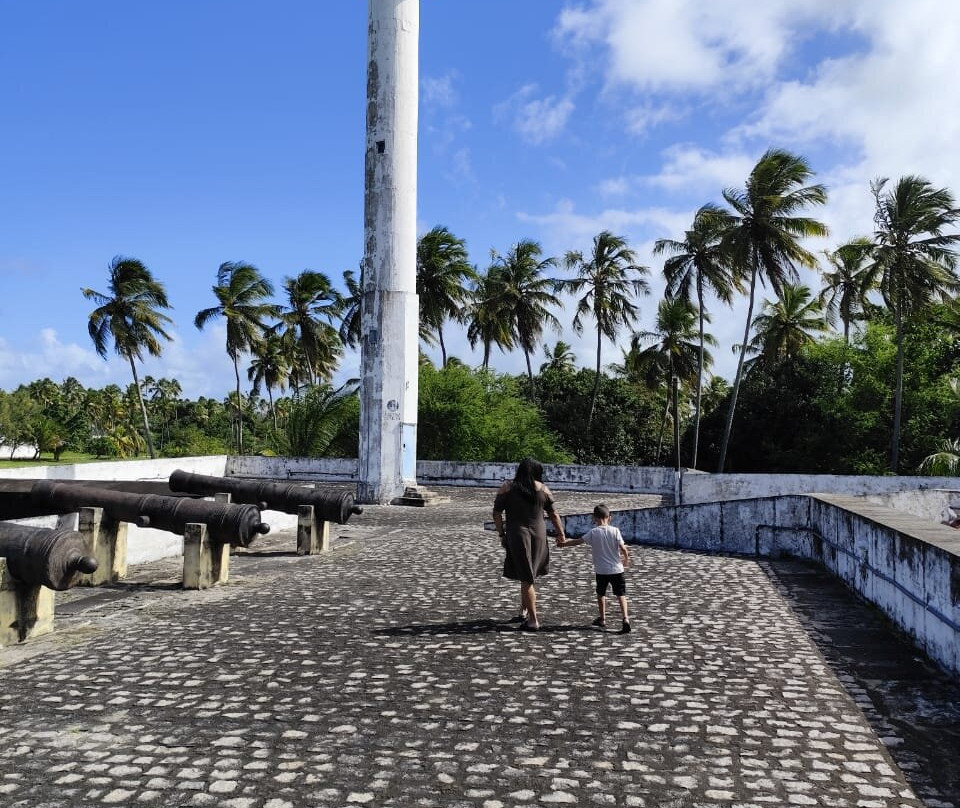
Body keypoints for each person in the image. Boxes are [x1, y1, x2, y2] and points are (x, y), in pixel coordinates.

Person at [492, 457, 566, 631]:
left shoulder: (507, 488)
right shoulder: (544, 489)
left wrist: (501, 533)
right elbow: (554, 514)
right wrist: (560, 534)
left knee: (526, 576)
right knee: (529, 573)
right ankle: (524, 609)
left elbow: (496, 513)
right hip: (539, 534)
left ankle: (533, 620)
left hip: (517, 534)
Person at [556, 503, 631, 634]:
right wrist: (626, 559)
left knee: (601, 594)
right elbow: (623, 547)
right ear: (609, 517)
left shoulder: (593, 533)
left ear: (594, 518)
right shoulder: (615, 531)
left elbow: (578, 541)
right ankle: (625, 618)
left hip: (601, 570)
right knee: (621, 595)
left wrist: (563, 544)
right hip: (617, 569)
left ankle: (602, 619)